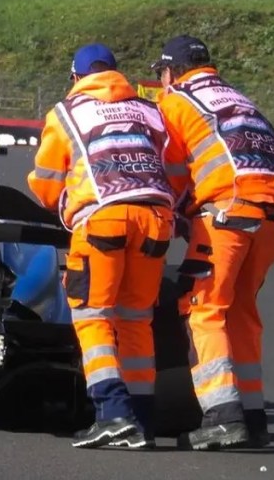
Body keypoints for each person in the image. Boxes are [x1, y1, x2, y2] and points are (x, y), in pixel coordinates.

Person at [151, 35, 274, 450]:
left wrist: (173, 216)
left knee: (203, 307)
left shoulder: (177, 100)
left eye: (160, 74)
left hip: (227, 212)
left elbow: (171, 169)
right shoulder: (239, 99)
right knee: (241, 311)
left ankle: (222, 416)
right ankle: (254, 418)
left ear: (170, 71)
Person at [28, 44, 175, 450]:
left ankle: (112, 413)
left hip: (103, 218)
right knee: (135, 320)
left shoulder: (67, 112)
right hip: (157, 219)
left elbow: (45, 182)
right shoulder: (150, 110)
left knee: (91, 314)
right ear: (116, 74)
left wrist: (63, 203)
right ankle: (142, 420)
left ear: (76, 78)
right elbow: (172, 164)